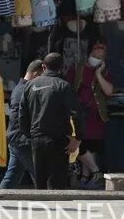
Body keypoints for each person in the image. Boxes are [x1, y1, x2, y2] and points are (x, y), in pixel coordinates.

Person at [19, 53, 81, 190]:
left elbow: (22, 116)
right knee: (56, 184)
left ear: (43, 66)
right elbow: (77, 114)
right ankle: (55, 209)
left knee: (40, 183)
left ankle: (42, 209)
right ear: (61, 68)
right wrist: (77, 138)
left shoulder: (29, 86)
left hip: (37, 139)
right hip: (58, 140)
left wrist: (30, 135)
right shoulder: (64, 86)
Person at [66, 43, 114, 189]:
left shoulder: (104, 72)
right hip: (78, 113)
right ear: (89, 54)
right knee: (80, 143)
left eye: (101, 57)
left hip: (96, 114)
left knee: (92, 146)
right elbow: (67, 88)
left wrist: (98, 74)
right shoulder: (77, 68)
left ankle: (87, 177)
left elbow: (109, 91)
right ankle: (95, 172)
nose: (97, 58)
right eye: (95, 55)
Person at [0, 60, 43, 189]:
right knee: (40, 175)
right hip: (22, 139)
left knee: (12, 176)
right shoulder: (25, 90)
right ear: (35, 74)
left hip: (16, 137)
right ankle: (50, 203)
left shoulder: (21, 88)